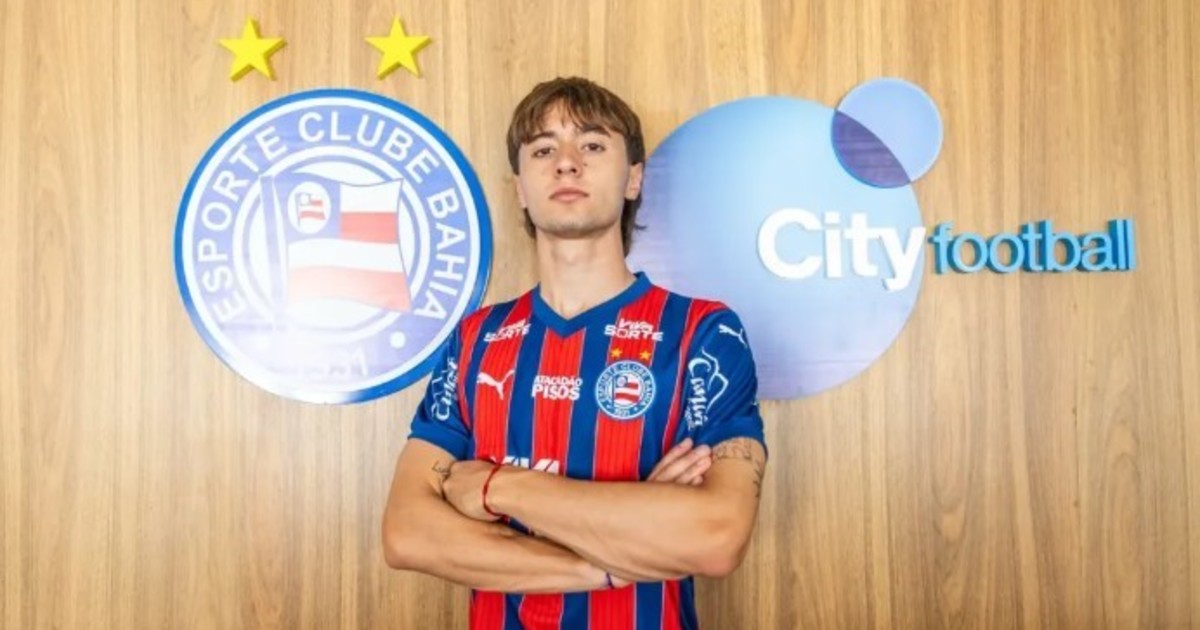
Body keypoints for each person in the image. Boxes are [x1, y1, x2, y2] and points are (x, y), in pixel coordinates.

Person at [382, 76, 768, 630]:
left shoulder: (704, 333)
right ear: (520, 188)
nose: (566, 163)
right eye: (543, 150)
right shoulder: (475, 340)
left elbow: (716, 537)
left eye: (592, 145)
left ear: (633, 177)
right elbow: (407, 533)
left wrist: (496, 487)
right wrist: (609, 562)